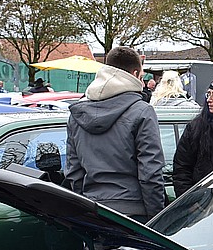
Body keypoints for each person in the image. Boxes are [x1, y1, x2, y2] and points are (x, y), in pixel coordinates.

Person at [65, 45, 166, 222]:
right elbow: (150, 173)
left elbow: (74, 171)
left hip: (93, 210)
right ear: (135, 74)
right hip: (134, 212)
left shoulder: (77, 114)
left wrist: (84, 207)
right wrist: (157, 218)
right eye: (142, 76)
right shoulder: (142, 111)